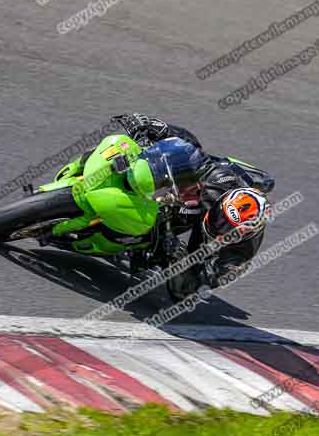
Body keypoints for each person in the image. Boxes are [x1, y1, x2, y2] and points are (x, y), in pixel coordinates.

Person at [114, 113, 275, 300]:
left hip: (204, 248)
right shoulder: (219, 183)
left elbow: (193, 287)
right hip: (202, 207)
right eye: (220, 217)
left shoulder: (236, 259)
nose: (218, 225)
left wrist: (178, 260)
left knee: (184, 291)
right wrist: (160, 128)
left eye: (227, 227)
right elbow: (192, 152)